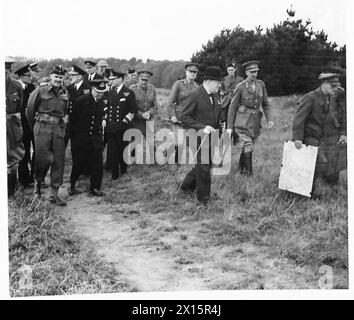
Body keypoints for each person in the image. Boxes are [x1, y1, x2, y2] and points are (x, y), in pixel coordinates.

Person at [292, 71, 346, 193]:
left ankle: (332, 185)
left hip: (327, 137)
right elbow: (299, 120)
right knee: (319, 163)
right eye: (333, 86)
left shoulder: (334, 97)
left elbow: (341, 116)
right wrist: (298, 138)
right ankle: (308, 190)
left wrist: (343, 133)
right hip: (311, 137)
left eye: (337, 86)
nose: (336, 89)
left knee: (336, 157)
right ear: (323, 83)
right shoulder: (310, 97)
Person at [26, 65, 69, 205]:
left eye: (61, 77)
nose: (58, 79)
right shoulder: (41, 90)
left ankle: (54, 195)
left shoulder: (65, 92)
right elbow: (30, 111)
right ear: (51, 76)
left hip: (58, 129)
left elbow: (66, 110)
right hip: (42, 128)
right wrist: (35, 129)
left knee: (58, 161)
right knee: (42, 160)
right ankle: (37, 188)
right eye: (56, 76)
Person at [179, 66, 222, 205]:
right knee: (203, 167)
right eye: (217, 82)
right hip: (196, 136)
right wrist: (202, 127)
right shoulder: (195, 94)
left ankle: (186, 187)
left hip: (211, 137)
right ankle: (204, 200)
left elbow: (215, 114)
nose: (219, 85)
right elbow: (183, 116)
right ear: (209, 81)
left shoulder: (216, 94)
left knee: (205, 164)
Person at [227, 60, 273, 176]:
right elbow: (232, 107)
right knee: (248, 144)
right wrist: (229, 127)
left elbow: (266, 104)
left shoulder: (261, 84)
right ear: (246, 72)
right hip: (242, 121)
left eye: (256, 71)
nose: (254, 74)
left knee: (249, 144)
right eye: (252, 72)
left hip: (255, 121)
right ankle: (249, 173)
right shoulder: (241, 87)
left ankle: (240, 169)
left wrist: (269, 119)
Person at [69, 80, 108, 196]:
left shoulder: (102, 104)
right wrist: (75, 140)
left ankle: (95, 187)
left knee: (98, 164)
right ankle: (72, 185)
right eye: (98, 92)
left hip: (95, 139)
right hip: (81, 139)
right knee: (78, 163)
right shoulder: (81, 101)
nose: (100, 94)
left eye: (102, 92)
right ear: (92, 89)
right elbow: (73, 121)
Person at [105, 69, 137, 179]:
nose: (111, 81)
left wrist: (125, 121)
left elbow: (133, 110)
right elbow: (107, 108)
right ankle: (114, 173)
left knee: (122, 149)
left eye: (113, 79)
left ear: (120, 79)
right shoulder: (110, 92)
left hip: (123, 127)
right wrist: (105, 119)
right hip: (111, 126)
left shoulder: (128, 92)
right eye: (110, 79)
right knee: (112, 150)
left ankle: (123, 169)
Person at [168, 62, 199, 163]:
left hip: (190, 119)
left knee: (187, 142)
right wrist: (172, 116)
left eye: (195, 72)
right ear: (186, 72)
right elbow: (171, 101)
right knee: (180, 141)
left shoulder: (197, 87)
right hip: (178, 117)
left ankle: (169, 151)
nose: (193, 74)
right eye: (191, 72)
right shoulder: (179, 84)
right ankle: (176, 163)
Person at [6, 57, 25, 197]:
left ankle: (11, 194)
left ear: (9, 70)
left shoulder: (17, 86)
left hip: (11, 127)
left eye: (6, 70)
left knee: (12, 163)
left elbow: (20, 108)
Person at [15, 64, 36, 188]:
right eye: (28, 76)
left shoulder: (32, 88)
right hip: (20, 125)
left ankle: (31, 177)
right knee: (23, 153)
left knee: (33, 152)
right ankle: (23, 179)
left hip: (31, 125)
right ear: (22, 76)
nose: (31, 78)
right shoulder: (16, 88)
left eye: (31, 75)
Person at [130, 69, 159, 138]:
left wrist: (149, 113)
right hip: (136, 121)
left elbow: (155, 106)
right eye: (142, 80)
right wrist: (141, 114)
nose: (143, 82)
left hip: (149, 120)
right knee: (134, 144)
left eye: (146, 80)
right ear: (138, 79)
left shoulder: (152, 89)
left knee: (151, 144)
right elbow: (130, 107)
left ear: (149, 80)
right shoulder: (133, 89)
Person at [220, 63, 243, 145]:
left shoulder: (240, 79)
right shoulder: (224, 79)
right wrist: (224, 93)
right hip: (226, 102)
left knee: (236, 121)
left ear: (235, 70)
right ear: (227, 71)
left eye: (232, 70)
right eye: (229, 70)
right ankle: (227, 139)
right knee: (226, 120)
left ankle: (236, 139)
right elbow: (221, 90)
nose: (230, 72)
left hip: (237, 102)